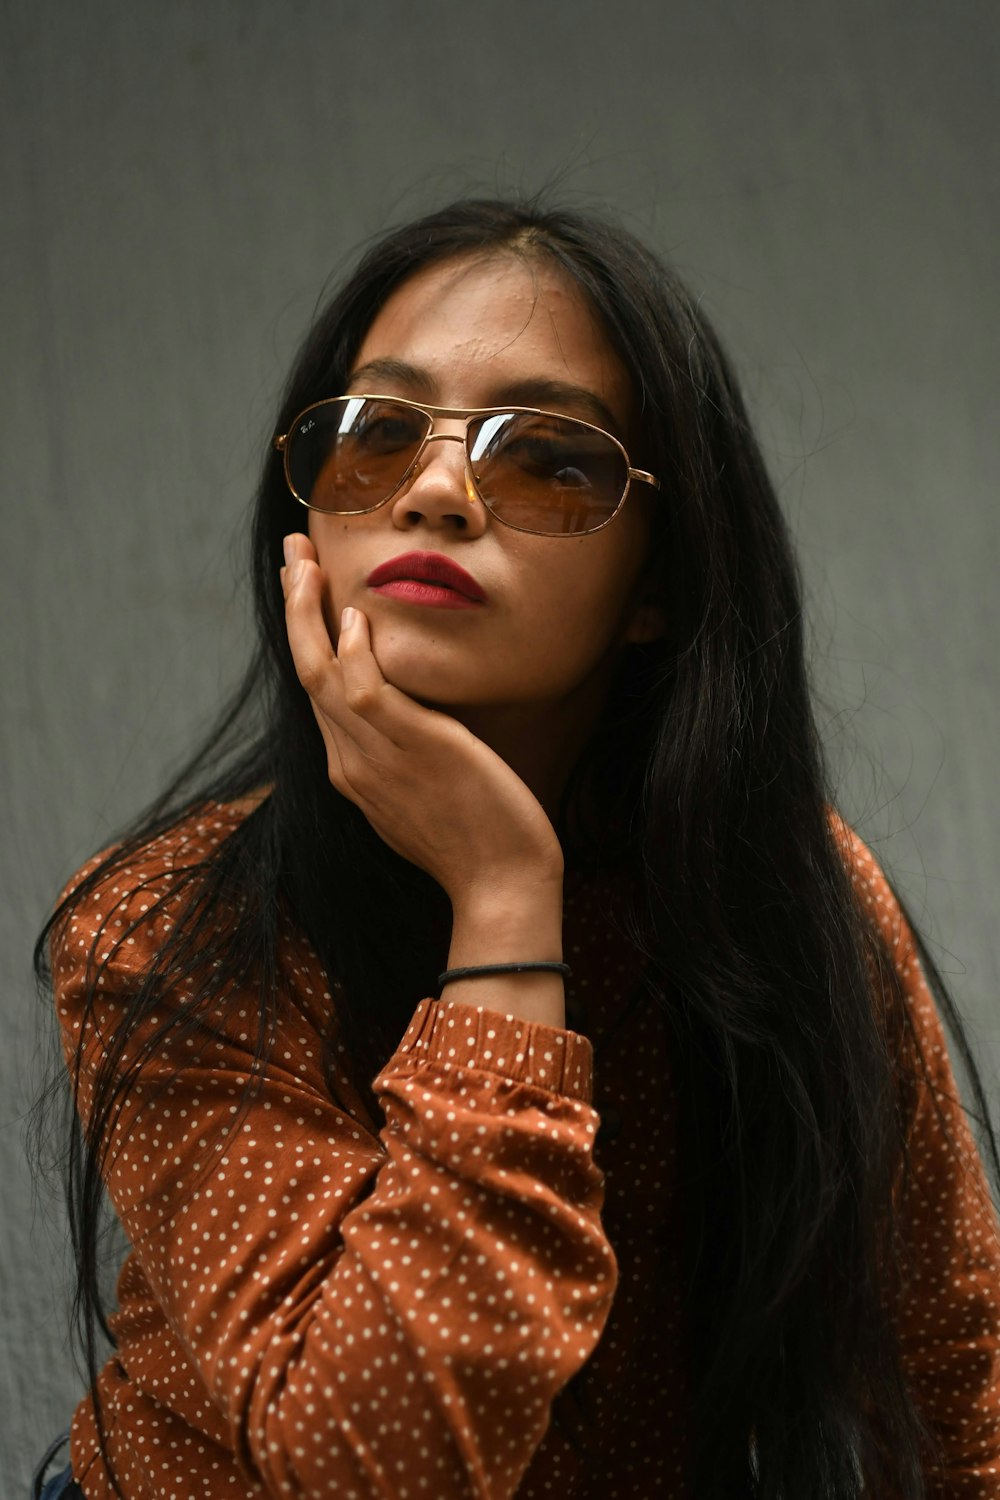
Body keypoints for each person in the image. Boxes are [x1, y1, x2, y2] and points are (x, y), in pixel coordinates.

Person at [32, 198, 1000, 1499]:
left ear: (658, 583)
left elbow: (955, 1378)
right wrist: (501, 897)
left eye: (549, 457)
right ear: (305, 527)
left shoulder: (787, 895)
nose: (435, 490)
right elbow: (384, 1470)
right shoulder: (162, 927)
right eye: (376, 435)